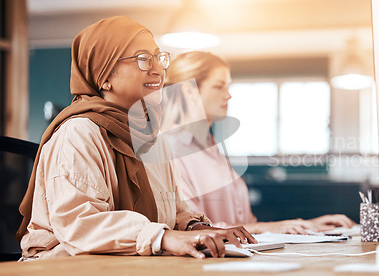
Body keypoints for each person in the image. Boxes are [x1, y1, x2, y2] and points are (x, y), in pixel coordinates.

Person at [16, 16, 256, 260]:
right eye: (143, 59)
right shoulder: (79, 133)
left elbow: (174, 210)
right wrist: (163, 237)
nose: (158, 69)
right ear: (105, 76)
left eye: (159, 58)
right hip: (62, 274)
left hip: (124, 271)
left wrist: (199, 229)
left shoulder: (154, 139)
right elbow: (80, 224)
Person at [161, 51, 356, 234]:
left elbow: (245, 224)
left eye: (228, 87)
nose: (228, 95)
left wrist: (307, 225)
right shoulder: (170, 149)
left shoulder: (210, 147)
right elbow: (194, 229)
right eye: (219, 86)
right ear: (189, 91)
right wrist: (274, 227)